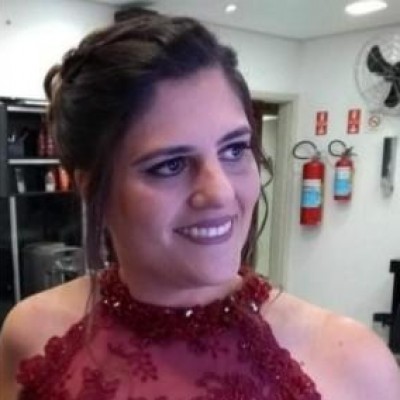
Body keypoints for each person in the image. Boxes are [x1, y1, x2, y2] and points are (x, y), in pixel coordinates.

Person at [0, 10, 399, 400]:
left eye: (234, 149)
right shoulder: (31, 334)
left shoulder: (355, 365)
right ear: (92, 189)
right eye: (170, 165)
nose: (221, 193)